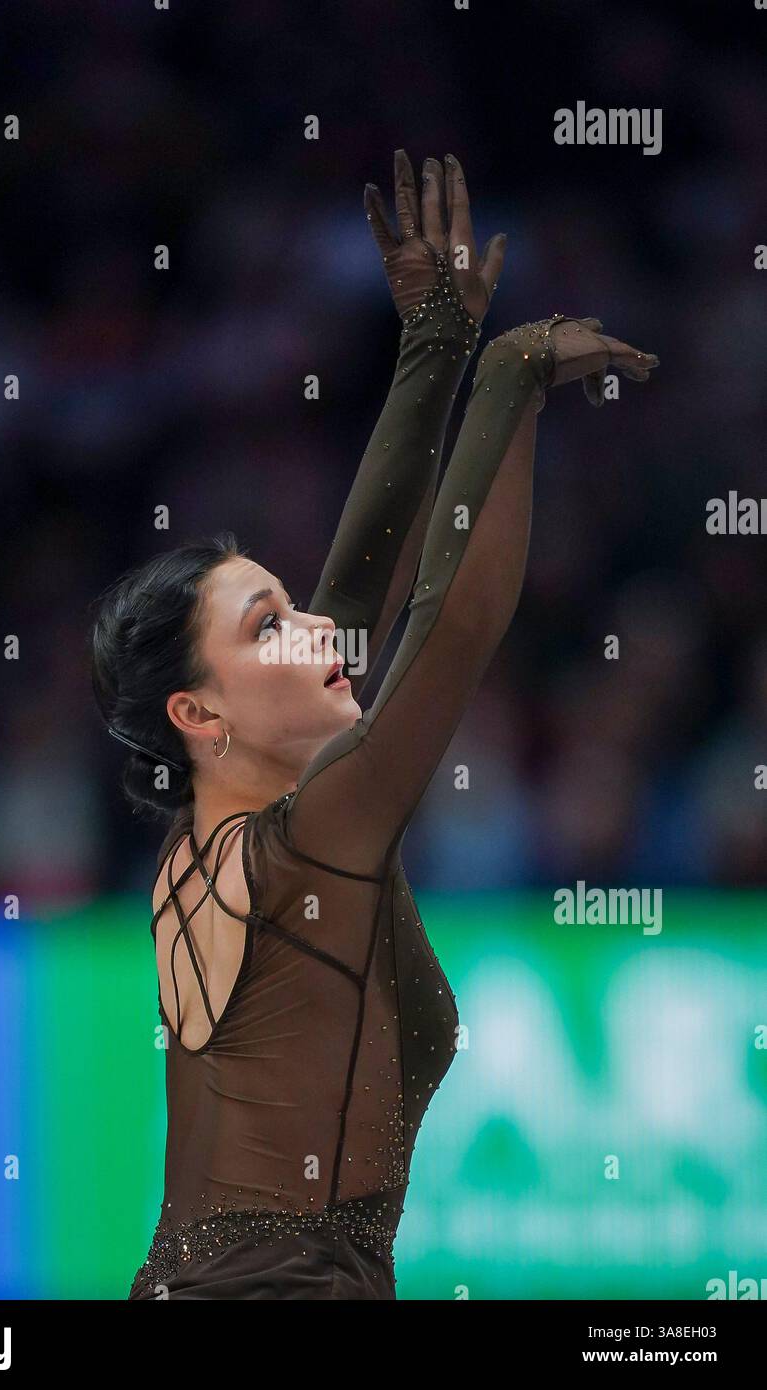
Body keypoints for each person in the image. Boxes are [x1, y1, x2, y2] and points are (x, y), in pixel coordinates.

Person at [91, 149, 658, 1299]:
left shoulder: (225, 840)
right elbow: (449, 633)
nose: (314, 630)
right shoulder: (316, 840)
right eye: (267, 627)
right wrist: (507, 374)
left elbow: (358, 595)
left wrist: (434, 343)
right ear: (197, 711)